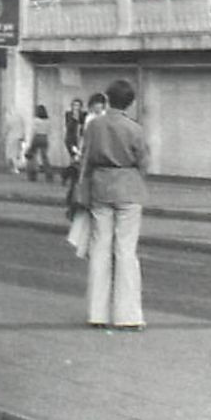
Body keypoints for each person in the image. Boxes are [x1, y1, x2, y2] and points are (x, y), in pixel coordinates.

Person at [79, 79, 150, 332]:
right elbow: (143, 161)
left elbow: (85, 158)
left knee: (99, 248)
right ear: (129, 103)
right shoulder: (134, 129)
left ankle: (96, 313)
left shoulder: (94, 126)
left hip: (100, 186)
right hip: (129, 187)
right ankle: (127, 315)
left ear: (107, 99)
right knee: (126, 250)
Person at [61, 98, 88, 187]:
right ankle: (68, 176)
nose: (76, 107)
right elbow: (68, 126)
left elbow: (84, 126)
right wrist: (74, 118)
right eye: (74, 105)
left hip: (80, 139)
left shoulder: (84, 115)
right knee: (74, 159)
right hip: (71, 140)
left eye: (78, 105)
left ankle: (69, 176)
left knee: (76, 161)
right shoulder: (68, 114)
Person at [24, 104, 54, 183]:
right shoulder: (48, 121)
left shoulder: (36, 120)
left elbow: (33, 131)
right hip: (44, 138)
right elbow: (49, 131)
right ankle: (49, 175)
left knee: (32, 157)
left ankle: (32, 175)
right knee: (45, 158)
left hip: (37, 137)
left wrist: (30, 142)